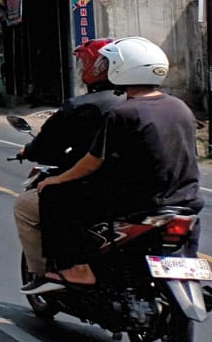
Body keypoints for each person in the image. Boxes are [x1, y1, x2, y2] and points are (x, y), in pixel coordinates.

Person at [25, 37, 203, 292]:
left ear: (123, 68)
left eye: (110, 63)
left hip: (137, 201)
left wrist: (55, 179)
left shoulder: (124, 113)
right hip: (186, 199)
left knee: (53, 194)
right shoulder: (180, 107)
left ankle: (76, 268)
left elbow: (91, 163)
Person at [11, 39, 121, 276]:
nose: (81, 70)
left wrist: (29, 151)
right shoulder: (159, 106)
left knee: (27, 205)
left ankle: (48, 272)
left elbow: (49, 144)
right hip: (146, 191)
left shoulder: (83, 106)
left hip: (95, 188)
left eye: (84, 63)